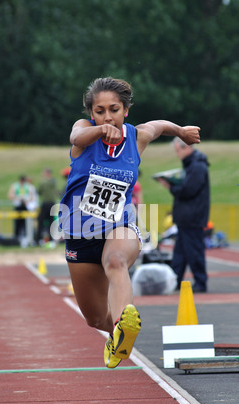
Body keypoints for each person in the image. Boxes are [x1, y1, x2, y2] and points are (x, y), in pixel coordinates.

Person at [58, 77, 201, 368]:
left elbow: (158, 126)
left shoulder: (137, 137)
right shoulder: (85, 131)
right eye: (100, 110)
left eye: (114, 109)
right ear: (91, 113)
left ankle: (125, 322)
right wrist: (100, 130)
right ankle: (116, 335)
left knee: (115, 261)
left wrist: (181, 132)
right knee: (95, 318)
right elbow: (76, 138)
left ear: (126, 111)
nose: (107, 115)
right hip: (80, 233)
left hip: (118, 226)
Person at [158, 137, 210, 293]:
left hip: (192, 216)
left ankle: (201, 283)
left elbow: (189, 191)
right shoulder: (193, 165)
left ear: (186, 147)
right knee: (180, 252)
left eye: (177, 150)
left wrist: (170, 186)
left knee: (194, 250)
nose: (177, 154)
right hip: (186, 216)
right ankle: (175, 280)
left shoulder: (197, 166)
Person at [36, 168, 58, 244]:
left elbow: (39, 192)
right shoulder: (53, 182)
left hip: (45, 203)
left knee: (41, 221)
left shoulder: (44, 183)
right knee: (51, 222)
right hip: (52, 203)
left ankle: (38, 239)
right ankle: (51, 239)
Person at [8, 175, 34, 239]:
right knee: (17, 223)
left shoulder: (27, 186)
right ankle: (16, 237)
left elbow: (31, 196)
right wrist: (18, 198)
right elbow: (10, 195)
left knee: (26, 223)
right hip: (17, 206)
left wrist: (26, 200)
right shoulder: (15, 186)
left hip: (25, 206)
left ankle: (26, 236)